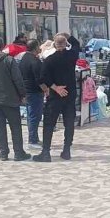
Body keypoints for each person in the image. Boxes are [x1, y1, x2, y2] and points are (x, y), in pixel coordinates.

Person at [34, 33, 81, 162]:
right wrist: (67, 35)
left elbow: (42, 78)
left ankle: (46, 152)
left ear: (54, 45)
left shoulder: (49, 60)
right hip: (70, 95)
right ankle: (66, 150)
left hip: (55, 96)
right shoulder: (72, 56)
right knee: (69, 123)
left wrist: (55, 88)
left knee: (49, 124)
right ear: (66, 44)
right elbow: (76, 44)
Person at [20, 39, 46, 149]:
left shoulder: (24, 58)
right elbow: (39, 79)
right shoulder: (35, 61)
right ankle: (32, 140)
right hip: (34, 91)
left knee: (31, 115)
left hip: (26, 91)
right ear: (36, 48)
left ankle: (34, 138)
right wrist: (46, 89)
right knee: (35, 116)